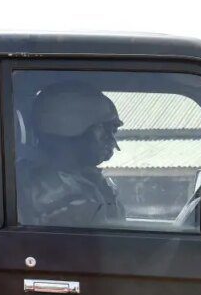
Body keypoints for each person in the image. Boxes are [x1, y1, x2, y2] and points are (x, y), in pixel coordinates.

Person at [20, 83, 126, 226]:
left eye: (113, 131)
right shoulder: (50, 194)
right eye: (103, 129)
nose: (112, 141)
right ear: (66, 128)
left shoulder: (89, 181)